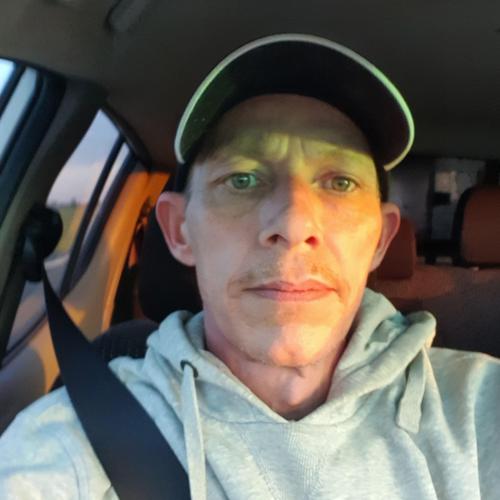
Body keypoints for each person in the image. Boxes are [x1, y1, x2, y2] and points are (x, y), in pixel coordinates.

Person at [0, 33, 499, 499]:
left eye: (340, 182)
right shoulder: (73, 442)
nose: (293, 223)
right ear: (179, 231)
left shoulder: (479, 408)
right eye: (242, 179)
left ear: (380, 240)